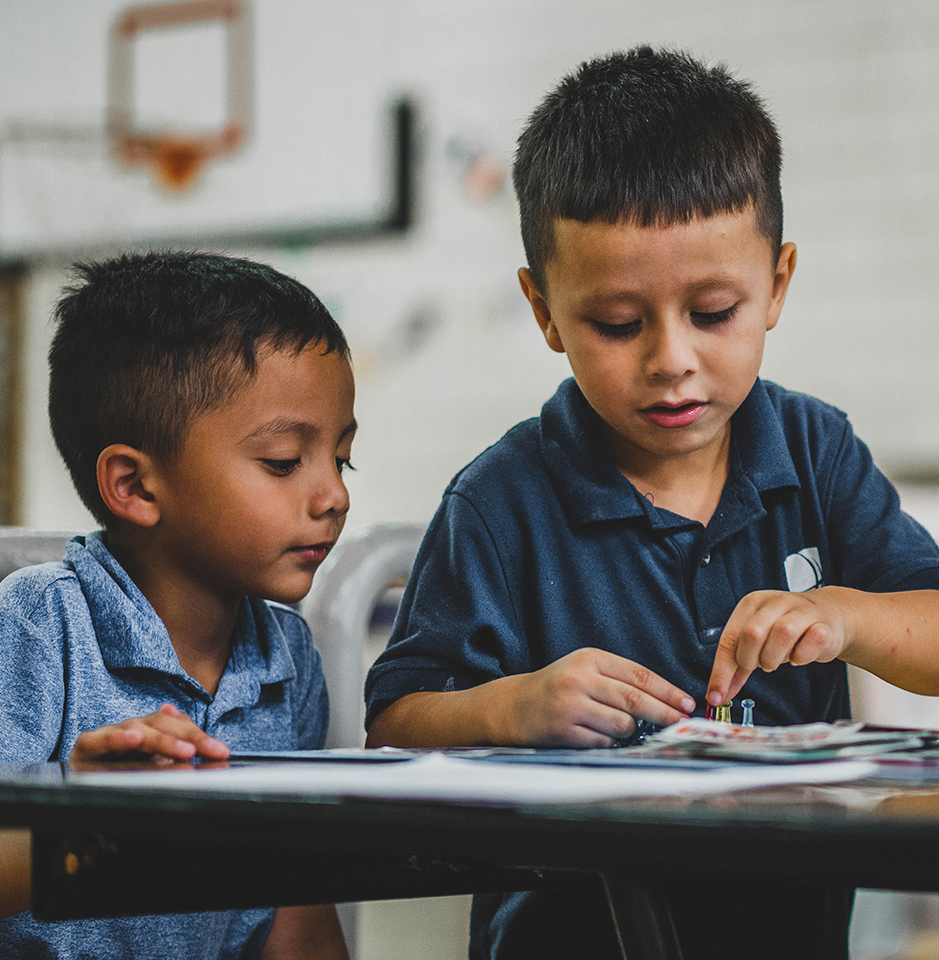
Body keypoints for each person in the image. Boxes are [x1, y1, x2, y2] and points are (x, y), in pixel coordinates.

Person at [363, 46, 939, 959]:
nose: (671, 358)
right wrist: (513, 707)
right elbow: (395, 726)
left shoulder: (814, 451)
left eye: (713, 312)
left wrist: (846, 617)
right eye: (618, 324)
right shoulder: (500, 500)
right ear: (545, 308)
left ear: (777, 285)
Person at [0, 251, 356, 959]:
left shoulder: (288, 660)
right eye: (282, 461)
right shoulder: (39, 627)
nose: (333, 495)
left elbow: (296, 904)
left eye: (342, 457)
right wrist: (82, 820)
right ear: (136, 486)